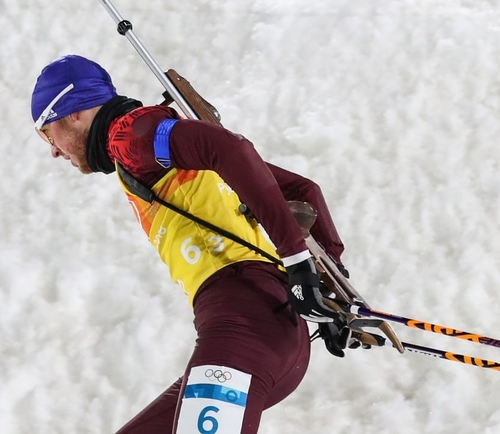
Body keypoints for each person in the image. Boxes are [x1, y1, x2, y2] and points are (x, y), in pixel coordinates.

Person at [31, 54, 351, 434]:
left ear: (74, 112)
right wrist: (329, 282)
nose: (52, 149)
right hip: (273, 341)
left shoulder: (128, 137)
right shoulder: (154, 154)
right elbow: (302, 190)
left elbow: (233, 150)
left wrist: (298, 260)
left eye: (47, 133)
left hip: (244, 325)